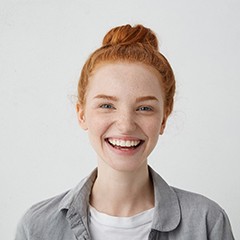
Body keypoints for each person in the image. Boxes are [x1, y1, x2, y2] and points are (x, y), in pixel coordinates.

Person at [15, 24, 235, 240]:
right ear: (81, 114)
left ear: (164, 119)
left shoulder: (207, 222)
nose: (126, 125)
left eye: (144, 108)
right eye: (107, 105)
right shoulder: (36, 227)